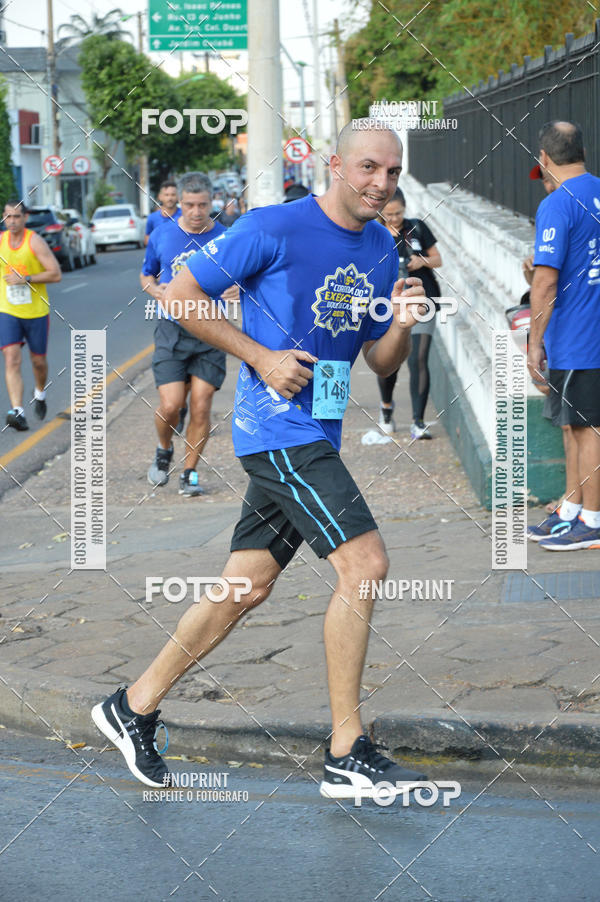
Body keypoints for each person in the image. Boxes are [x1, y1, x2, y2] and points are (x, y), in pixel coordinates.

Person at [92, 120, 430, 797]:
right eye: (368, 168)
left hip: (318, 432)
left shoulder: (381, 250)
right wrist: (261, 356)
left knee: (246, 585)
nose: (381, 184)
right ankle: (345, 750)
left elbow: (378, 360)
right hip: (276, 430)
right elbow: (183, 294)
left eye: (392, 173)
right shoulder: (273, 226)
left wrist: (401, 323)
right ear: (335, 165)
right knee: (365, 563)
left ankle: (132, 707)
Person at [527, 120, 600, 550]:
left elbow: (546, 283)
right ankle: (571, 508)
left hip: (577, 335)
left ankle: (591, 519)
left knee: (587, 427)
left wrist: (535, 343)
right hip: (588, 331)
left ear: (546, 159)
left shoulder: (557, 203)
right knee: (574, 425)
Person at [141, 172, 227, 496]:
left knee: (202, 405)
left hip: (211, 331)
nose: (195, 211)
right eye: (189, 205)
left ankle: (189, 473)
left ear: (211, 202)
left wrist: (237, 289)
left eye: (202, 204)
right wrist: (156, 291)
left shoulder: (227, 237)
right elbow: (146, 274)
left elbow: (245, 276)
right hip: (171, 331)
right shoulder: (162, 235)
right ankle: (164, 449)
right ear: (179, 203)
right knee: (171, 405)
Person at [375, 188, 442, 438]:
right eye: (389, 214)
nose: (394, 218)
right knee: (390, 361)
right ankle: (387, 409)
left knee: (419, 358)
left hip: (423, 300)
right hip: (386, 305)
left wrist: (421, 261)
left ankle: (418, 421)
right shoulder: (375, 234)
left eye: (398, 213)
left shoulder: (417, 228)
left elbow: (438, 259)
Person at [0, 200, 61, 431]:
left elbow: (55, 274)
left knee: (38, 362)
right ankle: (18, 411)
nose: (12, 222)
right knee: (11, 358)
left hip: (36, 311)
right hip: (7, 310)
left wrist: (26, 279)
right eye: (8, 217)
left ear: (24, 218)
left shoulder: (34, 241)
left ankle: (40, 393)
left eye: (17, 217)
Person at [144, 180, 180, 247]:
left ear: (178, 197)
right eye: (166, 195)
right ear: (160, 197)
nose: (170, 198)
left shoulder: (184, 216)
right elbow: (147, 240)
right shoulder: (152, 218)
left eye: (173, 195)